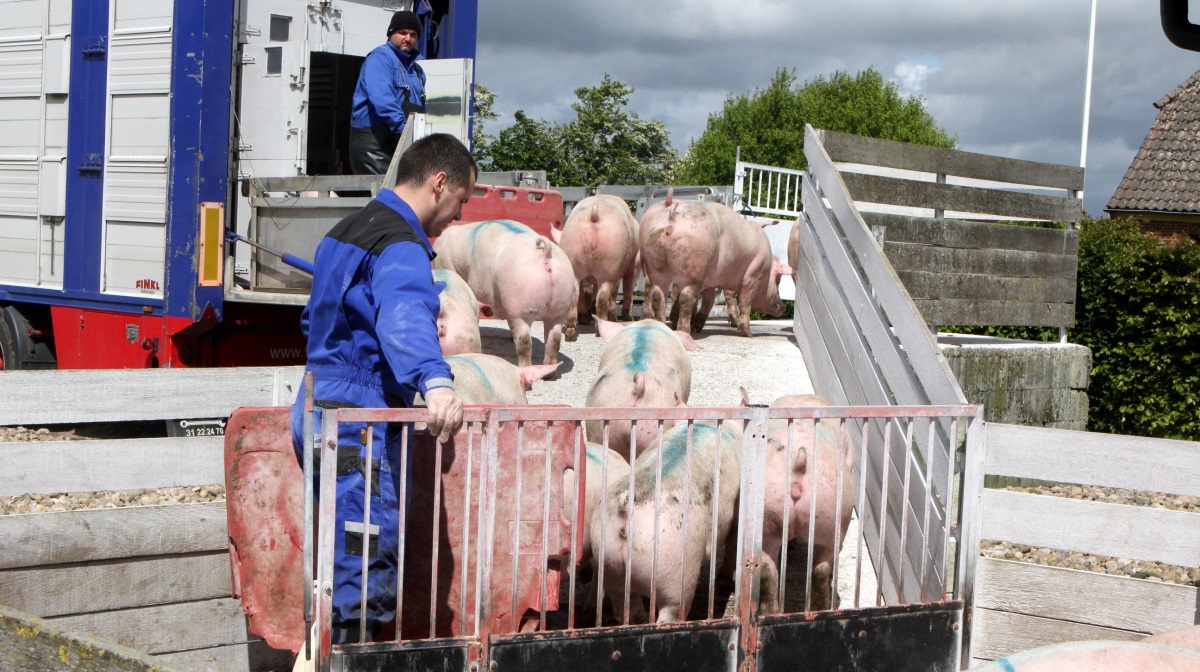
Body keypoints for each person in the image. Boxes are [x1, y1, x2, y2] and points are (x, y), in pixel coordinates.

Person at [290, 133, 475, 644]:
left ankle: (324, 646)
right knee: (364, 547)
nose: (457, 217)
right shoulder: (401, 242)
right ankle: (352, 656)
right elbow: (404, 314)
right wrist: (435, 382)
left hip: (315, 400)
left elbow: (315, 320)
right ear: (440, 183)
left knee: (334, 543)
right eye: (461, 200)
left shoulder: (344, 230)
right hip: (357, 416)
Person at [349, 11, 428, 174]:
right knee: (384, 197)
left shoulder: (417, 70)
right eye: (403, 33)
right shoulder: (380, 58)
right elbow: (382, 100)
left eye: (413, 34)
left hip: (400, 142)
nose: (408, 38)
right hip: (373, 144)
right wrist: (405, 133)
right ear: (391, 33)